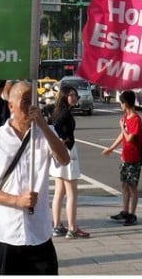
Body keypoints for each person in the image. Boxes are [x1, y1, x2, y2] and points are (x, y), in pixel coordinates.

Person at [0, 80, 70, 275]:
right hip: (5, 233)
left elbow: (64, 159)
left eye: (34, 100)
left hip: (39, 233)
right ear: (11, 105)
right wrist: (17, 201)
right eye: (25, 101)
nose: (30, 106)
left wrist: (44, 125)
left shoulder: (46, 133)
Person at [50, 88, 89, 239]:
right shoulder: (64, 112)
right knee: (72, 193)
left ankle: (57, 226)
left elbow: (51, 126)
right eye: (72, 95)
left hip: (60, 153)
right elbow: (55, 127)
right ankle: (72, 228)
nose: (75, 97)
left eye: (76, 95)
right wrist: (62, 139)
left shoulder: (57, 110)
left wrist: (57, 141)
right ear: (65, 96)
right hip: (67, 152)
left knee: (59, 192)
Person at [102, 90, 142, 226]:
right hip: (125, 157)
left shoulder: (136, 119)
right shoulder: (126, 116)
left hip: (134, 158)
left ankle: (132, 214)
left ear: (126, 103)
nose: (120, 105)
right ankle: (125, 211)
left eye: (121, 102)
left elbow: (129, 137)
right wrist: (111, 148)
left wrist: (122, 126)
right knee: (124, 185)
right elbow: (122, 136)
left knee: (132, 187)